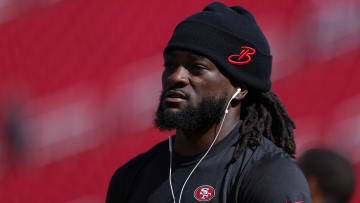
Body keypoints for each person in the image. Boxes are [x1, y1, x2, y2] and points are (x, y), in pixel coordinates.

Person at [106, 2, 311, 203]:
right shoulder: (130, 178)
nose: (176, 77)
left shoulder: (268, 176)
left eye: (196, 67)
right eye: (170, 65)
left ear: (240, 88)